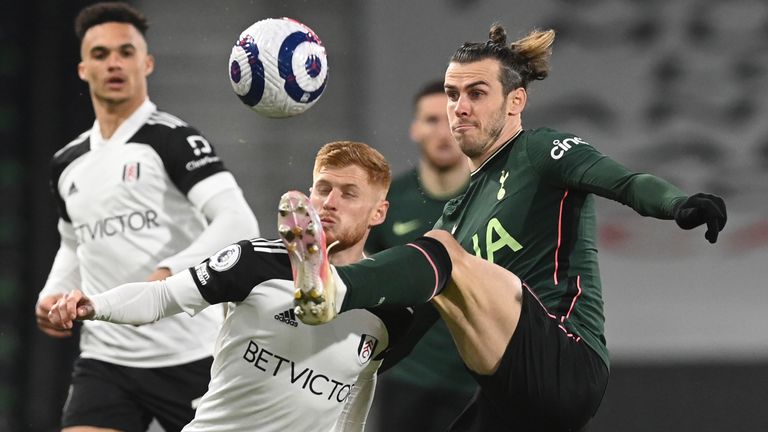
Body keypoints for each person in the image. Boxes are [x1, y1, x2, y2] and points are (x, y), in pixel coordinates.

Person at [284, 25, 727, 431]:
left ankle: (333, 286)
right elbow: (414, 319)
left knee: (438, 247)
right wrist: (345, 362)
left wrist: (679, 204)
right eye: (451, 94)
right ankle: (329, 299)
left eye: (476, 93)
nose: (459, 108)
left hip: (566, 359)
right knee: (436, 263)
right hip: (508, 393)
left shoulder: (539, 149)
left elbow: (626, 182)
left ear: (515, 101)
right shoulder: (458, 211)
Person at [49, 141, 416, 432]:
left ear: (378, 213)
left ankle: (330, 291)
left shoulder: (388, 306)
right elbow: (162, 297)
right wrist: (94, 305)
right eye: (323, 189)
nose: (329, 203)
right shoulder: (255, 262)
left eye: (349, 193)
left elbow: (354, 399)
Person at [35, 2, 260, 431]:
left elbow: (238, 221)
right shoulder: (67, 163)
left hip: (190, 351)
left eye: (126, 51)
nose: (114, 63)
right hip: (107, 357)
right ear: (83, 69)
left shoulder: (173, 139)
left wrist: (168, 273)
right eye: (101, 54)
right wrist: (52, 293)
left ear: (147, 62)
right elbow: (73, 241)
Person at [365, 80, 474, 432]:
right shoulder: (389, 202)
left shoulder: (496, 197)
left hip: (478, 381)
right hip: (406, 377)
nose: (443, 132)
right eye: (431, 120)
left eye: (450, 119)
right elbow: (367, 278)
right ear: (414, 128)